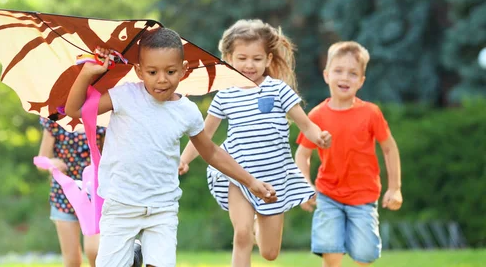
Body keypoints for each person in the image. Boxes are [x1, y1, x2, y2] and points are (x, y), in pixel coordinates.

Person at [65, 27, 278, 267]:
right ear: (139, 71)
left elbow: (211, 152)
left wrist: (251, 181)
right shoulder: (124, 96)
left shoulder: (187, 111)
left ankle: (139, 256)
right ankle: (135, 256)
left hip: (162, 208)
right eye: (152, 72)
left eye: (170, 71)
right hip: (121, 205)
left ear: (184, 70)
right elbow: (75, 111)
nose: (162, 79)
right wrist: (87, 73)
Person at [179, 19, 332, 266]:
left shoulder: (279, 90)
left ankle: (258, 226)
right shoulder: (225, 94)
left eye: (257, 59)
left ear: (268, 60)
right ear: (228, 58)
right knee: (241, 235)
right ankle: (246, 227)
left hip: (274, 177)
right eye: (242, 58)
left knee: (270, 253)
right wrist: (184, 160)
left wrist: (319, 137)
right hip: (238, 175)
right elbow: (203, 136)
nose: (249, 65)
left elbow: (306, 125)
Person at [294, 41, 403, 267]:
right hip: (328, 194)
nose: (345, 78)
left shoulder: (371, 113)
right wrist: (304, 186)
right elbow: (302, 155)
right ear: (326, 75)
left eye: (353, 73)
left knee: (364, 255)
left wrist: (395, 188)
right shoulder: (317, 116)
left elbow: (389, 148)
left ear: (361, 81)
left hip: (364, 196)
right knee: (330, 252)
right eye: (338, 71)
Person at [36, 114, 142, 267]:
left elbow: (111, 157)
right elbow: (41, 159)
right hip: (64, 197)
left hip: (95, 197)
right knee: (72, 261)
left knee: (95, 252)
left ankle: (131, 254)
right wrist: (52, 163)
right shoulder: (54, 121)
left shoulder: (100, 120)